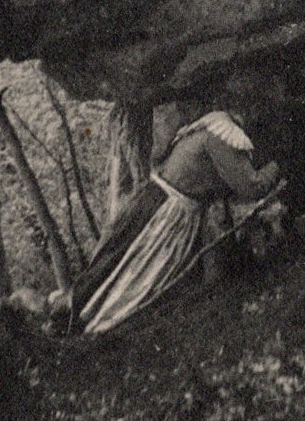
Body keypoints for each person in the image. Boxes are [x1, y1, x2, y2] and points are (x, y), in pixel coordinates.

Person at [73, 108, 282, 336]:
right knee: (142, 277)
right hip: (169, 215)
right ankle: (101, 327)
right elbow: (251, 187)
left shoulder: (203, 128)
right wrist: (277, 165)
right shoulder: (224, 136)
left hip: (151, 199)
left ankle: (81, 316)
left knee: (118, 262)